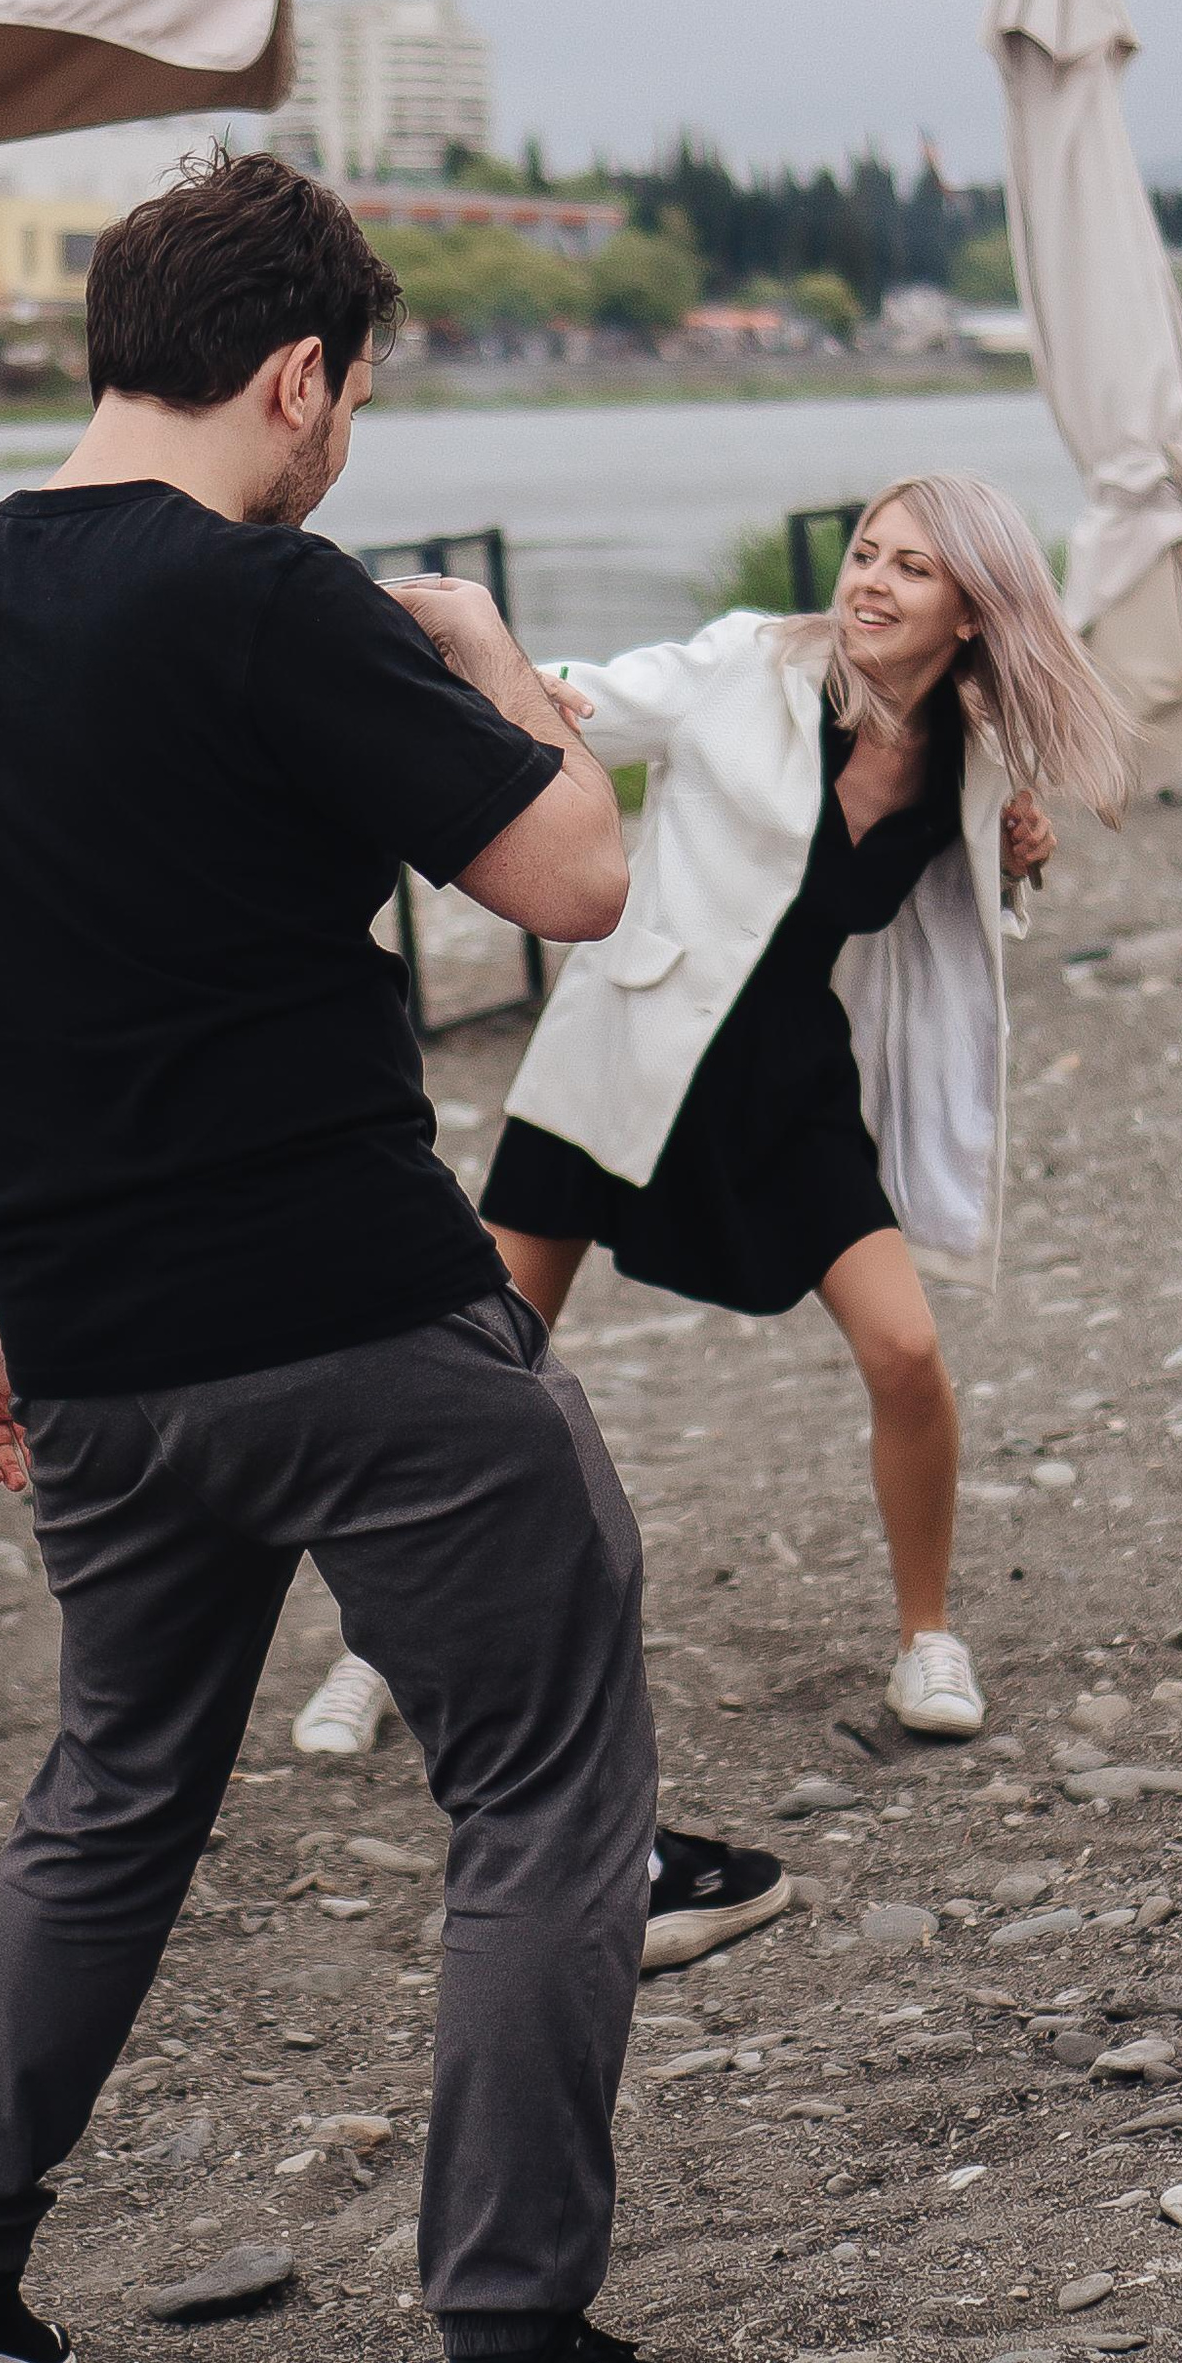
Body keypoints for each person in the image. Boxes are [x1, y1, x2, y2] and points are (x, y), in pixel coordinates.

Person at [0, 148, 797, 2363]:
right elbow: (572, 878)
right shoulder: (268, 598)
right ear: (294, 374)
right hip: (360, 1317)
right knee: (547, 1793)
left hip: (92, 1341)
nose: (338, 434)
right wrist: (484, 662)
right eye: (345, 392)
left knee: (109, 1792)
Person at [292, 475, 1132, 1756]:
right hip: (622, 1057)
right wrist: (456, 652)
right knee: (480, 1365)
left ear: (971, 609)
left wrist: (1020, 863)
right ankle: (374, 1655)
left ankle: (927, 1638)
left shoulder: (971, 748)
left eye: (912, 568)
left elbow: (969, 908)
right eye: (866, 553)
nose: (870, 582)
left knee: (906, 1354)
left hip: (793, 1089)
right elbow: (584, 696)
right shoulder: (745, 663)